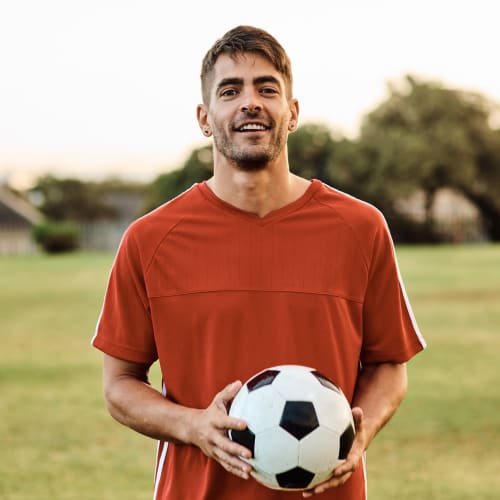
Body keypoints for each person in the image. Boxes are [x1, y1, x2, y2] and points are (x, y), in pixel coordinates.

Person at [91, 25, 426, 500]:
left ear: (291, 113)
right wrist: (193, 425)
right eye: (230, 91)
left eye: (267, 88)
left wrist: (360, 433)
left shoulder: (360, 227)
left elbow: (389, 365)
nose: (250, 102)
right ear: (204, 118)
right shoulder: (151, 239)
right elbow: (119, 385)